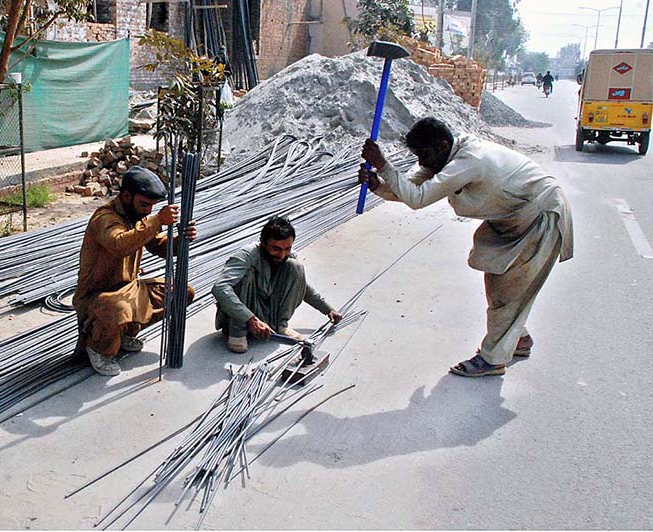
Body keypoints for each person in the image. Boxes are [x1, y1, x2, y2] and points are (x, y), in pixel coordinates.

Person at [359, 117, 573, 378]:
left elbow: (419, 199)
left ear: (442, 145)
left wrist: (383, 164)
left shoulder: (469, 161)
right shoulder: (447, 156)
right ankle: (518, 338)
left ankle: (492, 359)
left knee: (512, 288)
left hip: (539, 215)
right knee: (499, 284)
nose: (422, 163)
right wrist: (379, 185)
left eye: (424, 155)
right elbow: (412, 187)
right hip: (513, 218)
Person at [73, 166, 197, 376]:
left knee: (183, 292)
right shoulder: (105, 218)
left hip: (130, 289)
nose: (148, 210)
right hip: (99, 298)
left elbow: (159, 246)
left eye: (152, 206)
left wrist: (181, 240)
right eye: (144, 204)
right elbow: (119, 244)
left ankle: (122, 333)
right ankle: (98, 346)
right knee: (117, 308)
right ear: (126, 196)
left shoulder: (137, 215)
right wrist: (157, 221)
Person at [211, 215, 343, 353]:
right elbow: (220, 288)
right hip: (240, 317)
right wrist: (250, 319)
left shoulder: (288, 256)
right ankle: (237, 333)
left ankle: (281, 326)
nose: (282, 255)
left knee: (295, 267)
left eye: (287, 249)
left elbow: (301, 286)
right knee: (244, 275)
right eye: (276, 249)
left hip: (267, 312)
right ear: (263, 243)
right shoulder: (247, 254)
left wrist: (328, 309)